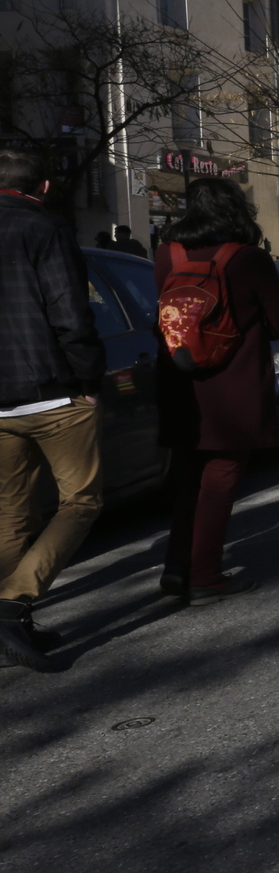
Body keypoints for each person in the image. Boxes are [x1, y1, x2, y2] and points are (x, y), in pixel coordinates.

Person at [155, 177, 279, 605]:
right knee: (221, 480)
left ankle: (176, 571)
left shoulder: (167, 254)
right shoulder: (248, 258)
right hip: (234, 385)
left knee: (188, 480)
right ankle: (205, 576)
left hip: (181, 382)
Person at [0, 149, 103, 672]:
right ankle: (14, 603)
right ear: (41, 188)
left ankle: (12, 620)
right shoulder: (46, 229)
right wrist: (88, 377)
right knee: (80, 502)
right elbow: (70, 310)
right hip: (53, 390)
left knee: (11, 513)